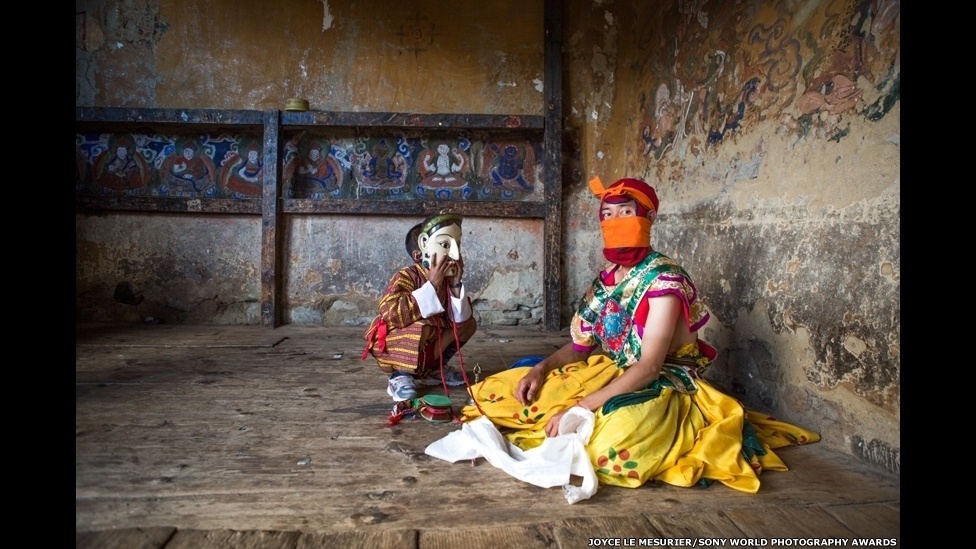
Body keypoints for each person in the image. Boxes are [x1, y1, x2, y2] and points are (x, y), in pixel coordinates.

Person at [459, 177, 819, 493]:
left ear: (649, 218)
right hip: (611, 370)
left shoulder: (664, 280)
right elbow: (580, 348)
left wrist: (584, 405)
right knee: (499, 395)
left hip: (662, 385)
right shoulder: (606, 281)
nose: (616, 222)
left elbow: (648, 367)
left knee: (609, 450)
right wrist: (541, 369)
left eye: (626, 212)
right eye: (608, 215)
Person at [362, 213, 477, 403]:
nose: (455, 254)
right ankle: (400, 376)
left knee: (468, 324)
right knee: (425, 325)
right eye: (446, 245)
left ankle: (434, 369)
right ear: (420, 252)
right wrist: (431, 285)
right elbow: (390, 313)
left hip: (429, 347)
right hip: (400, 341)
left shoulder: (448, 280)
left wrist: (456, 284)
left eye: (457, 245)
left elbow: (461, 320)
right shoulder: (406, 276)